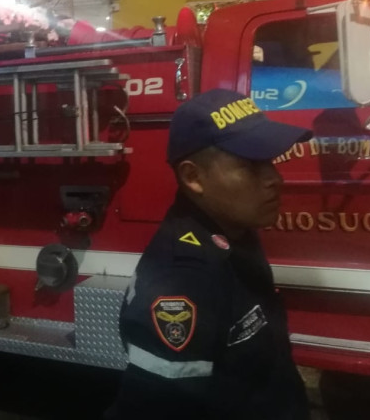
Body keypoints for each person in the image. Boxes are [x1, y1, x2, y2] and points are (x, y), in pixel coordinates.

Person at [106, 89, 313, 420]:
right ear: (193, 177)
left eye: (270, 162)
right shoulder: (184, 279)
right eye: (250, 166)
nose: (275, 179)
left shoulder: (234, 234)